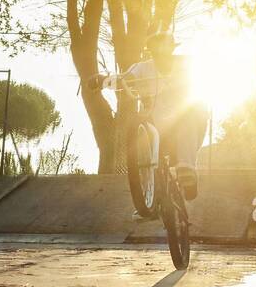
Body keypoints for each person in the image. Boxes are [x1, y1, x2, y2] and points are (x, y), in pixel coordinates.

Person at [88, 30, 206, 200]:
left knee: (191, 112)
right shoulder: (143, 67)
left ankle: (187, 172)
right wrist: (104, 80)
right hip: (156, 126)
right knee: (141, 126)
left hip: (185, 124)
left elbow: (203, 70)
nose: (161, 58)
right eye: (156, 53)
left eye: (165, 52)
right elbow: (125, 78)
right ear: (151, 52)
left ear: (172, 50)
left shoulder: (185, 63)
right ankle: (146, 197)